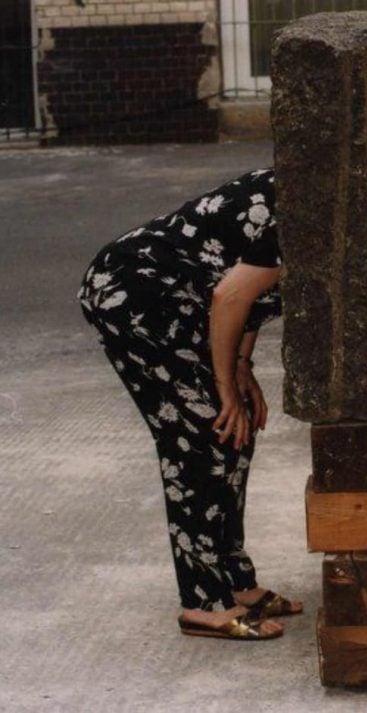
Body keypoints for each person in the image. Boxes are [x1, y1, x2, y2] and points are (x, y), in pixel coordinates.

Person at [78, 168, 302, 640]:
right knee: (199, 437)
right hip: (136, 294)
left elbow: (249, 292)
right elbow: (231, 293)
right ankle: (202, 603)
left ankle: (235, 583)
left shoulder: (319, 188)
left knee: (232, 431)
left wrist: (242, 369)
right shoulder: (310, 206)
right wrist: (224, 386)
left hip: (185, 301)